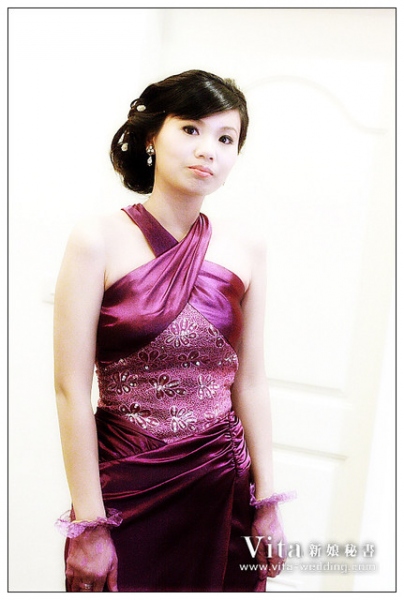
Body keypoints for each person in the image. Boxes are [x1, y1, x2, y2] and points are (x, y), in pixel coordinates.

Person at [54, 69, 292, 593]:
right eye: (190, 129)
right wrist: (89, 523)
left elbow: (251, 382)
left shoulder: (247, 248)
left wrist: (268, 503)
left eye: (226, 139)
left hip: (222, 483)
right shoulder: (96, 239)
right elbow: (70, 389)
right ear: (150, 138)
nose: (208, 150)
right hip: (126, 484)